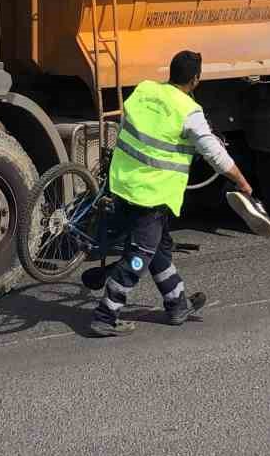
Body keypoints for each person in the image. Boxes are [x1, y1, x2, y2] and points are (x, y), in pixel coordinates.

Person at [90, 50, 255, 338]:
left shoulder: (144, 90)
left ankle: (177, 304)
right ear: (195, 79)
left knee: (159, 247)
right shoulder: (188, 111)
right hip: (151, 193)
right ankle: (106, 313)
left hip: (123, 182)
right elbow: (215, 154)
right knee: (139, 256)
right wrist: (242, 182)